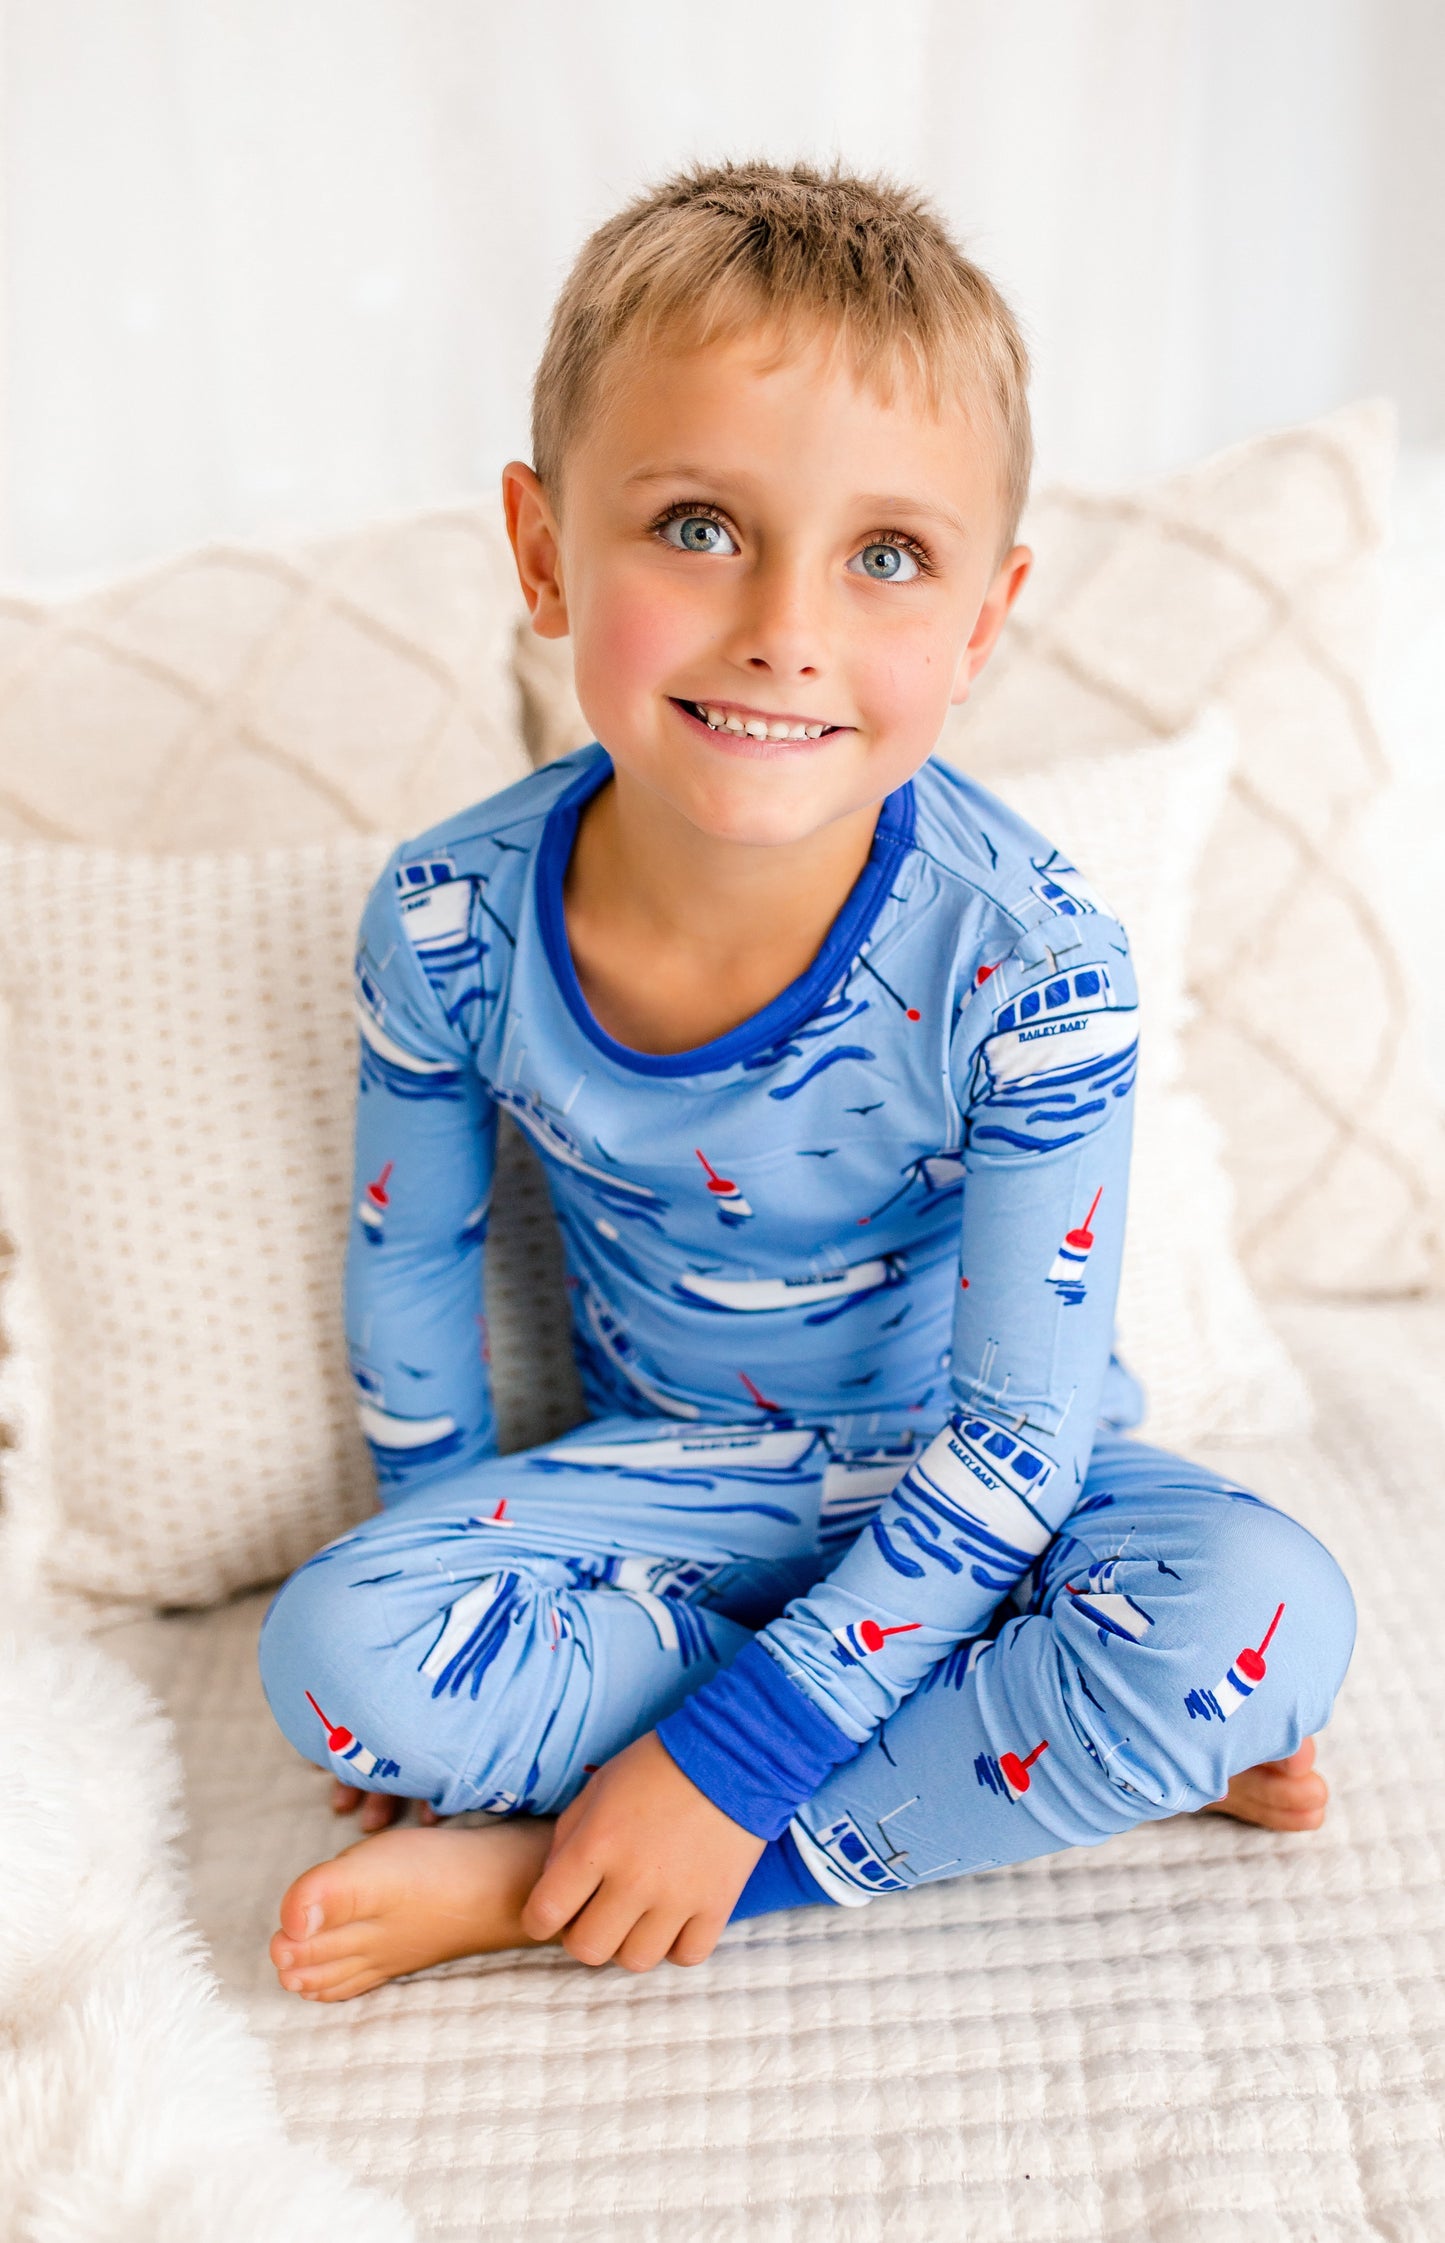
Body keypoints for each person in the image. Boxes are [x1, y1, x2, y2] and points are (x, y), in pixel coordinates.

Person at [260, 159, 1355, 2003]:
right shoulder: (448, 921)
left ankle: (575, 1871)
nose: (785, 624)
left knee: (1265, 1616)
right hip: (681, 1496)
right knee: (335, 1664)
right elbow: (412, 1290)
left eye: (885, 556)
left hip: (998, 1500)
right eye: (695, 524)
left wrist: (725, 1770)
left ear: (984, 618)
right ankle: (1023, 1761)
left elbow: (1021, 1440)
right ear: (543, 552)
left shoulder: (1031, 968)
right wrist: (429, 1637)